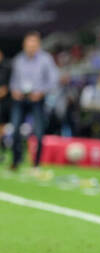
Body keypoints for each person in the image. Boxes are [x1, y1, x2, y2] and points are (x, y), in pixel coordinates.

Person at [9, 31, 59, 169]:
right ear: (24, 44)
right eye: (28, 43)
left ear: (38, 45)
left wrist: (41, 92)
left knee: (38, 131)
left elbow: (53, 80)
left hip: (37, 99)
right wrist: (14, 91)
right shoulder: (18, 59)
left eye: (34, 43)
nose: (31, 46)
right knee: (15, 129)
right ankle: (16, 160)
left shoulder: (46, 59)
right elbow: (14, 80)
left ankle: (37, 162)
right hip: (20, 99)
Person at [0, 50, 11, 161]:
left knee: (1, 128)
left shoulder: (7, 68)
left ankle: (2, 152)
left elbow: (5, 89)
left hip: (3, 104)